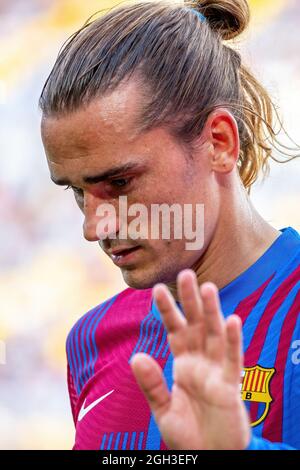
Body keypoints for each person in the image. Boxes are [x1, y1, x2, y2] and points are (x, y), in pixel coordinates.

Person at [39, 0, 300, 450]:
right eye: (77, 191)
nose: (93, 225)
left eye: (119, 182)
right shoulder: (89, 340)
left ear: (219, 143)